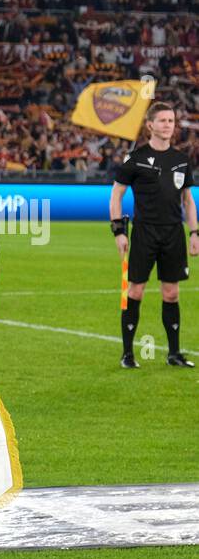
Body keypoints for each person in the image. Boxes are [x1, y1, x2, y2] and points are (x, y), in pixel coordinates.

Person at [111, 101, 198, 369]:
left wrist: (194, 232)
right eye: (162, 121)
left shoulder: (181, 160)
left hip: (173, 233)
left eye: (171, 121)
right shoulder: (134, 158)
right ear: (150, 125)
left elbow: (188, 201)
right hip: (144, 233)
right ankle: (128, 354)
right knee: (135, 291)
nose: (167, 125)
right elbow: (117, 194)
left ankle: (174, 354)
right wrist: (119, 231)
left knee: (171, 293)